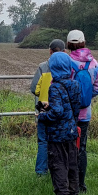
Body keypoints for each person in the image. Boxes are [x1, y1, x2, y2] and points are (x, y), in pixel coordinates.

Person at [36, 51, 82, 195]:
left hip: (57, 134)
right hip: (72, 130)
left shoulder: (54, 87)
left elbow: (57, 112)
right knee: (71, 162)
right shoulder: (75, 84)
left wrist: (42, 115)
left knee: (58, 164)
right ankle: (74, 191)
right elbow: (74, 107)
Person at [66, 29, 98, 194]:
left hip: (67, 112)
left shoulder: (65, 61)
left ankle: (67, 182)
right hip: (85, 114)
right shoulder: (93, 63)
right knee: (82, 147)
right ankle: (81, 184)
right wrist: (86, 98)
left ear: (68, 43)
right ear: (83, 42)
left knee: (67, 146)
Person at [29, 39, 67, 176]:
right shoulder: (68, 68)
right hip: (61, 109)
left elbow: (34, 88)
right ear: (64, 52)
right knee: (59, 141)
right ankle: (58, 170)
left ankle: (41, 171)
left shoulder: (43, 66)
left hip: (43, 110)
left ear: (50, 51)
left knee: (43, 141)